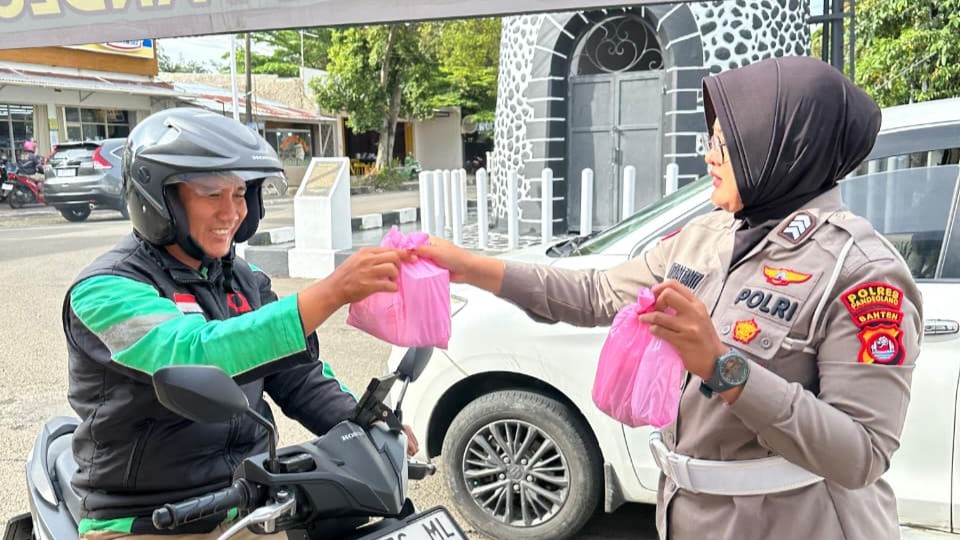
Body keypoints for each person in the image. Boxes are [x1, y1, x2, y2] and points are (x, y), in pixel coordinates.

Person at [417, 56, 922, 540]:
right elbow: (597, 293)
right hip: (689, 514)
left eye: (726, 143)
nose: (708, 156)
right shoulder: (708, 235)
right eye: (711, 138)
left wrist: (724, 369)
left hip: (798, 523)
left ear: (779, 147)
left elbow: (862, 453)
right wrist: (470, 267)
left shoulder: (860, 273)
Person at [64, 108, 418, 540]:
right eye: (212, 194)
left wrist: (363, 425)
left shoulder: (242, 279)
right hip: (149, 516)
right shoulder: (104, 291)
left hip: (251, 500)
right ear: (160, 199)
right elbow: (197, 353)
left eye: (239, 194)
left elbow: (296, 376)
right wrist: (331, 292)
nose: (231, 212)